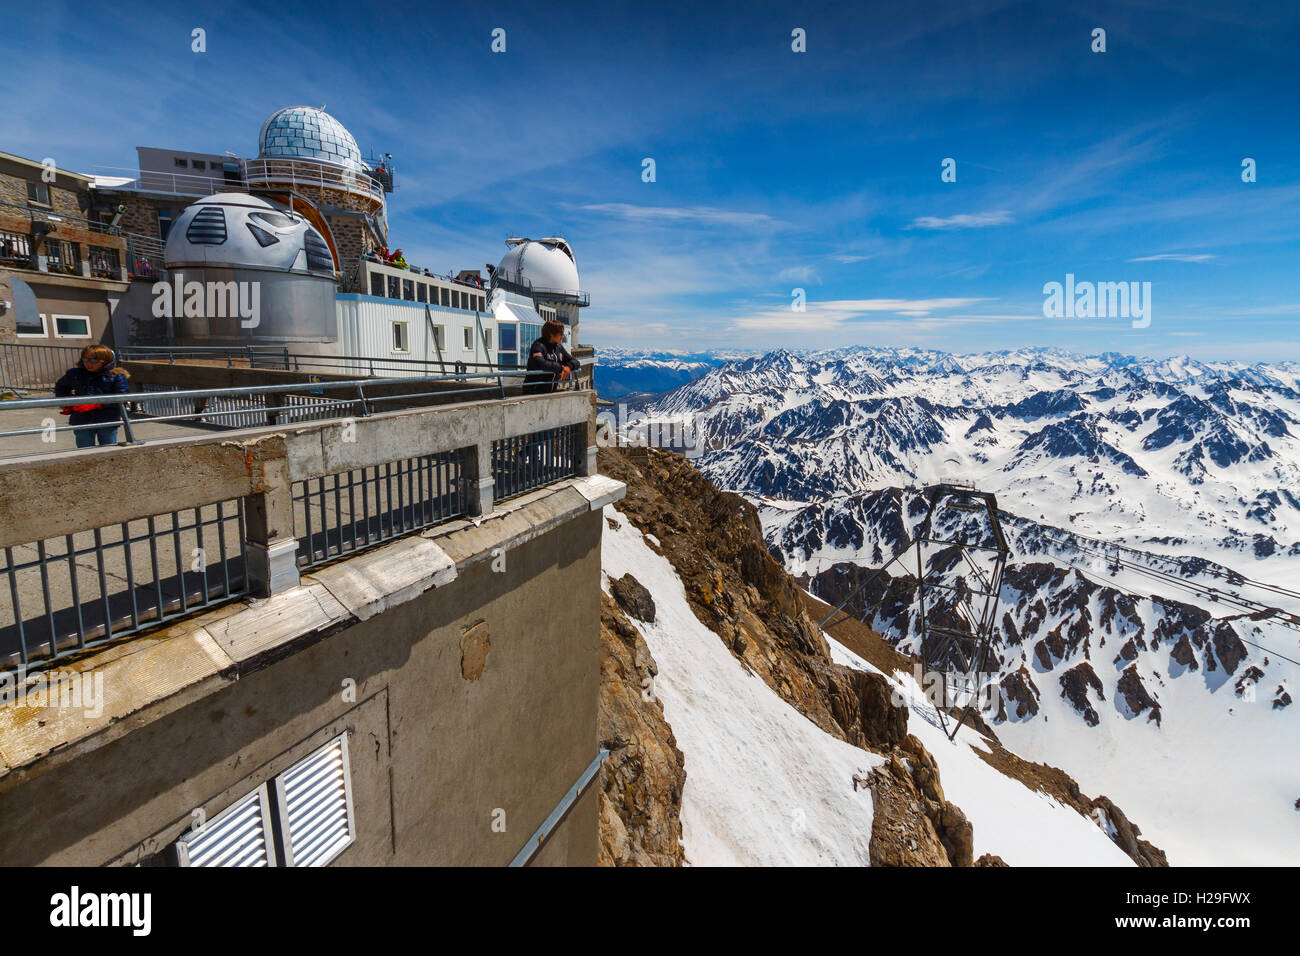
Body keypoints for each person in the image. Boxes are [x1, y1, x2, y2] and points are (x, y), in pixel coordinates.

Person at [54, 345, 131, 448]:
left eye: (94, 360)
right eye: (85, 359)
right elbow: (60, 386)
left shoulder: (116, 376)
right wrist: (64, 402)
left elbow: (123, 397)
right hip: (82, 418)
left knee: (108, 448)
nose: (88, 364)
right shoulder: (75, 374)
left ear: (104, 361)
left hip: (107, 419)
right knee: (85, 448)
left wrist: (97, 405)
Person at [524, 320, 581, 395]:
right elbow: (542, 364)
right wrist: (562, 368)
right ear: (551, 334)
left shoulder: (558, 347)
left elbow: (575, 361)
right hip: (533, 392)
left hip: (550, 392)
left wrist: (568, 367)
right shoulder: (538, 345)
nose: (562, 336)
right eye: (560, 334)